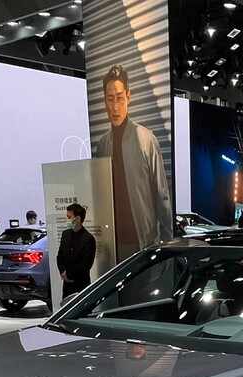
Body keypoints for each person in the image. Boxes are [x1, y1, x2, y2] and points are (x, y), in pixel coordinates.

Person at [93, 64, 173, 257]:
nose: (115, 107)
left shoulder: (146, 139)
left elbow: (162, 196)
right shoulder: (102, 145)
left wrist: (167, 247)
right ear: (104, 101)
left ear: (128, 96)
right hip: (113, 246)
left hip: (144, 243)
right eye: (110, 99)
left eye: (120, 98)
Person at [57, 203, 97, 298]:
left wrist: (69, 274)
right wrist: (62, 272)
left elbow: (86, 264)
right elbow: (60, 256)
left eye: (69, 217)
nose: (67, 220)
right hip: (67, 286)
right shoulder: (65, 234)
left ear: (78, 218)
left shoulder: (88, 239)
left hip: (81, 284)